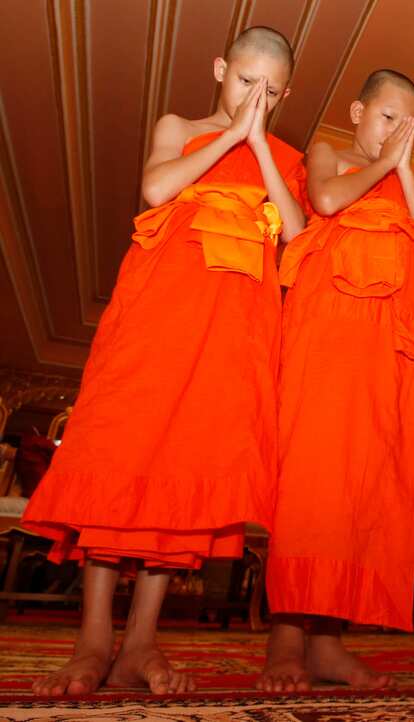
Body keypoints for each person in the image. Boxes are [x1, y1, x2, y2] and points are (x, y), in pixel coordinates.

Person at [23, 27, 307, 695]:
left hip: (230, 332)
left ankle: (140, 644)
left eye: (268, 91)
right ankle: (93, 641)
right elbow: (156, 190)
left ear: (285, 94)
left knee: (184, 470)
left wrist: (260, 146)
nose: (253, 98)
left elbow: (296, 235)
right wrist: (233, 135)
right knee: (119, 455)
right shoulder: (181, 124)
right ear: (219, 69)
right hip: (156, 315)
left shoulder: (285, 157)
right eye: (243, 82)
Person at [258, 69, 414, 692]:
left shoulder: (400, 177)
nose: (396, 132)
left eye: (408, 124)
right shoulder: (329, 151)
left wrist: (405, 169)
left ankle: (330, 639)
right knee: (313, 475)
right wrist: (385, 162)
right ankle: (286, 639)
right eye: (388, 117)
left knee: (364, 482)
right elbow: (329, 201)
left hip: (386, 346)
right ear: (358, 110)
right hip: (329, 329)